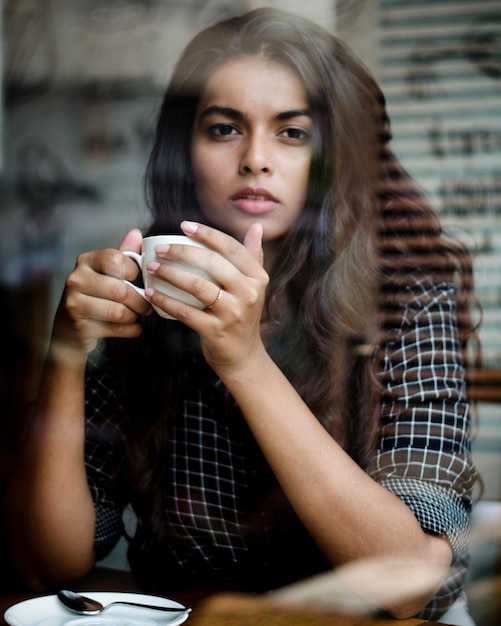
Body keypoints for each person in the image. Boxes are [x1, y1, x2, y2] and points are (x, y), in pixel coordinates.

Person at [4, 8, 480, 624]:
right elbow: (53, 565)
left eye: (293, 132)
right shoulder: (151, 296)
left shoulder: (406, 299)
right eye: (225, 129)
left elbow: (407, 584)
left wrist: (244, 359)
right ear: (186, 150)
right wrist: (66, 352)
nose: (255, 158)